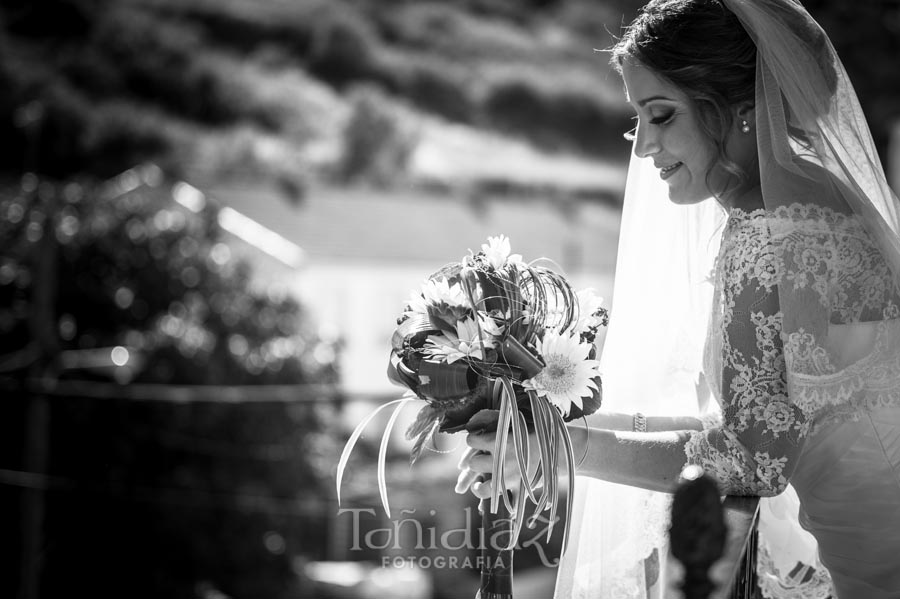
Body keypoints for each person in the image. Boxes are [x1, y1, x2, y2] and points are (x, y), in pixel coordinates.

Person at [456, 0, 900, 597]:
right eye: (637, 119)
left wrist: (560, 448)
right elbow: (772, 420)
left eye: (661, 116)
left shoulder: (764, 239)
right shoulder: (830, 209)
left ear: (743, 109)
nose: (643, 148)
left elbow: (754, 459)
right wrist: (548, 420)